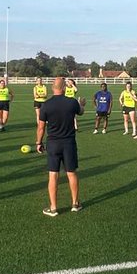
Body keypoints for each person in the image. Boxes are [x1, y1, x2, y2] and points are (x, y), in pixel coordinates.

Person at [36, 77, 85, 215]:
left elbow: (41, 128)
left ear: (52, 88)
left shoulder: (46, 105)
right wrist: (82, 104)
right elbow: (81, 112)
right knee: (71, 173)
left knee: (53, 175)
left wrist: (38, 143)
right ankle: (75, 203)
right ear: (64, 88)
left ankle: (53, 208)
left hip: (52, 144)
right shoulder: (72, 102)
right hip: (68, 143)